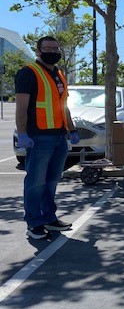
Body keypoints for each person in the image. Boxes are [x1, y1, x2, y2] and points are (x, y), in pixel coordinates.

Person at [15, 36, 79, 239]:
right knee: (35, 182)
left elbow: (64, 106)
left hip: (60, 136)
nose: (53, 51)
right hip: (39, 137)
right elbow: (21, 108)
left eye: (55, 48)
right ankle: (34, 222)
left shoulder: (59, 74)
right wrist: (22, 133)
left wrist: (72, 129)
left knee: (51, 181)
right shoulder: (28, 73)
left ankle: (49, 218)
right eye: (47, 48)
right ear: (39, 50)